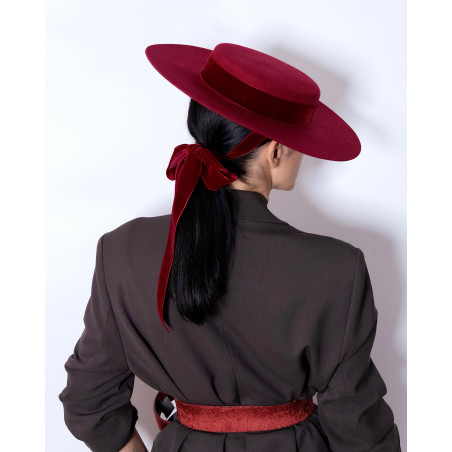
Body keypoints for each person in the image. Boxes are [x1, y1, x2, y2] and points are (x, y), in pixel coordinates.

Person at [59, 43, 402, 451]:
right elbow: (359, 425)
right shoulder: (338, 267)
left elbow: (88, 400)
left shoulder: (121, 252)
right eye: (299, 143)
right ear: (276, 151)